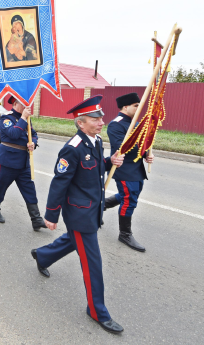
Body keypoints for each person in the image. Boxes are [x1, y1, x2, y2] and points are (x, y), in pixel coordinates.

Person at [31, 95, 125, 334]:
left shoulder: (94, 141)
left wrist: (110, 160)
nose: (101, 121)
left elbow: (94, 166)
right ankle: (97, 311)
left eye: (101, 117)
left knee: (73, 242)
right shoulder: (72, 149)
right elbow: (59, 183)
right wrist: (51, 215)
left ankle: (43, 256)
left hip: (90, 208)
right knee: (93, 263)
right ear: (81, 123)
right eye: (95, 118)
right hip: (80, 214)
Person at [104, 92, 154, 252]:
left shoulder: (136, 123)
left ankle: (101, 205)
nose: (139, 109)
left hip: (136, 167)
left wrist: (147, 154)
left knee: (131, 194)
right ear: (125, 107)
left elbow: (143, 143)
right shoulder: (116, 124)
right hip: (124, 168)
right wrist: (142, 150)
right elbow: (122, 148)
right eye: (136, 106)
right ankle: (125, 234)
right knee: (129, 199)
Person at [0, 97, 45, 230]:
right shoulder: (6, 118)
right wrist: (23, 118)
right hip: (8, 162)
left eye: (28, 104)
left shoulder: (26, 119)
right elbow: (13, 134)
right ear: (15, 104)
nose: (27, 107)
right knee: (0, 188)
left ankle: (36, 219)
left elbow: (34, 134)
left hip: (23, 163)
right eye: (24, 104)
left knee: (29, 190)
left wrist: (34, 143)